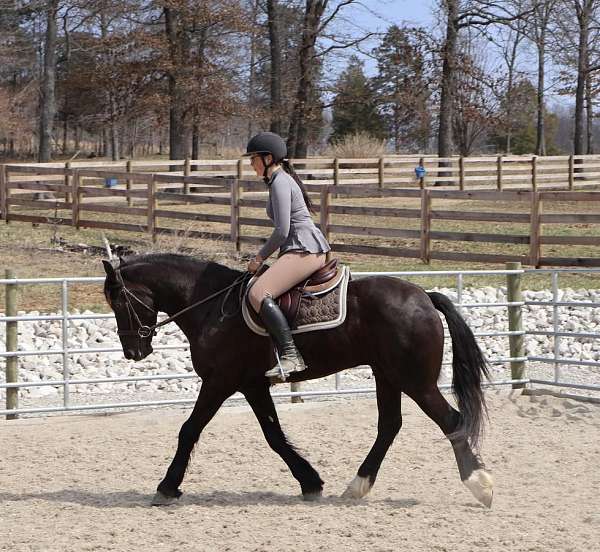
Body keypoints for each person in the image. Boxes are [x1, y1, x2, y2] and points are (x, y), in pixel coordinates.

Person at [244, 132, 331, 379]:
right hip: (298, 247)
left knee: (258, 293)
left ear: (268, 158)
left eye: (254, 158)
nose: (251, 163)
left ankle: (291, 355)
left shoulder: (281, 182)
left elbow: (282, 231)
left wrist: (259, 258)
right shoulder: (277, 181)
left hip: (303, 247)